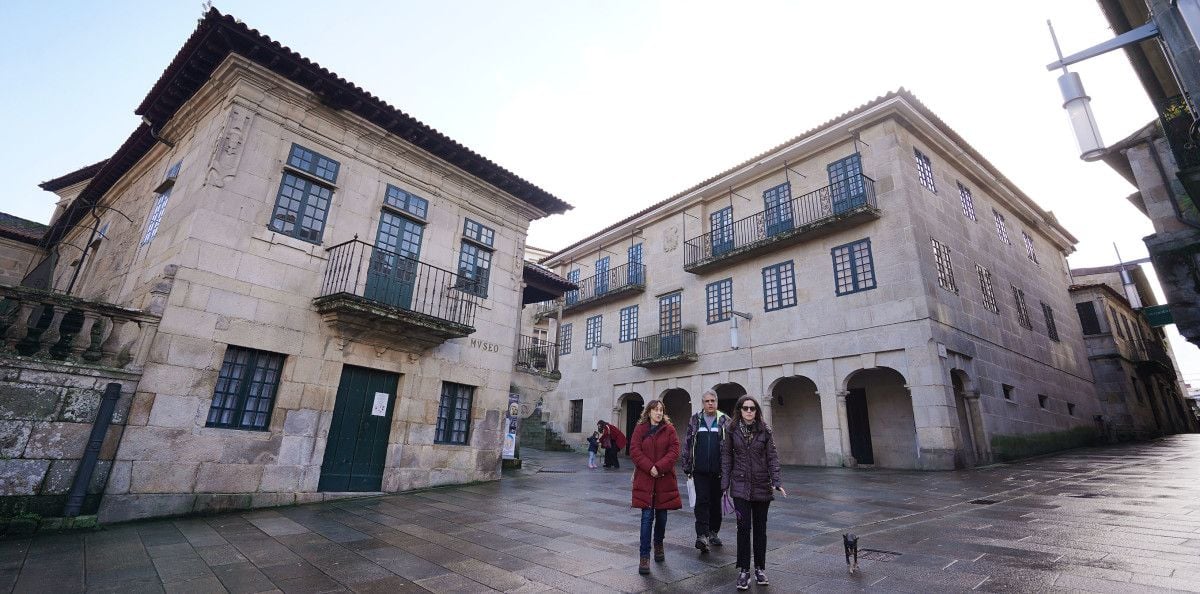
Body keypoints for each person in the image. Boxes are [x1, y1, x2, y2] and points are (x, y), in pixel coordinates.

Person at [721, 395, 786, 590]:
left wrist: (776, 481)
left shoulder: (765, 431)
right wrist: (724, 484)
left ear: (756, 411)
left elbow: (772, 457)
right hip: (740, 487)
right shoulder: (731, 430)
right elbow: (726, 458)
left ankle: (759, 568)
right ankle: (744, 571)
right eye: (745, 408)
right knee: (743, 529)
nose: (749, 411)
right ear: (739, 410)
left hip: (761, 486)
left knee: (760, 530)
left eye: (752, 408)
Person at [629, 400, 681, 575]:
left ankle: (658, 543)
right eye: (655, 410)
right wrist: (649, 467)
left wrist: (658, 467)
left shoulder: (669, 429)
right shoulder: (640, 429)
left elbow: (674, 451)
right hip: (645, 479)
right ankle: (644, 556)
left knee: (662, 517)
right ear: (649, 412)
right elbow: (634, 450)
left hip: (664, 480)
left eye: (661, 410)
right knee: (646, 518)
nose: (658, 413)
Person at [680, 389, 730, 554]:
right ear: (703, 403)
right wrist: (687, 465)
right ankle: (701, 536)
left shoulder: (724, 420)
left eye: (712, 401)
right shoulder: (695, 420)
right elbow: (688, 443)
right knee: (701, 501)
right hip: (699, 471)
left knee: (715, 503)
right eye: (707, 401)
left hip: (719, 471)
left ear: (716, 402)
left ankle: (713, 532)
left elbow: (731, 448)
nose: (710, 403)